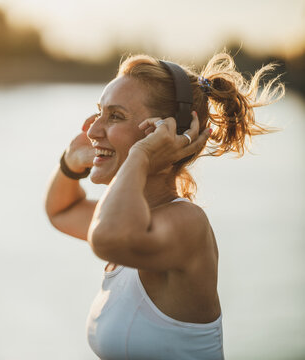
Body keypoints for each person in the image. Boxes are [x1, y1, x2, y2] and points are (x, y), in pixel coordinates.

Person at [44, 52, 284, 360]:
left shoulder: (186, 224)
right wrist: (69, 164)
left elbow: (107, 239)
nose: (91, 131)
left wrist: (141, 156)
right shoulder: (131, 216)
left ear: (163, 133)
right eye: (99, 113)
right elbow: (60, 212)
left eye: (115, 116)